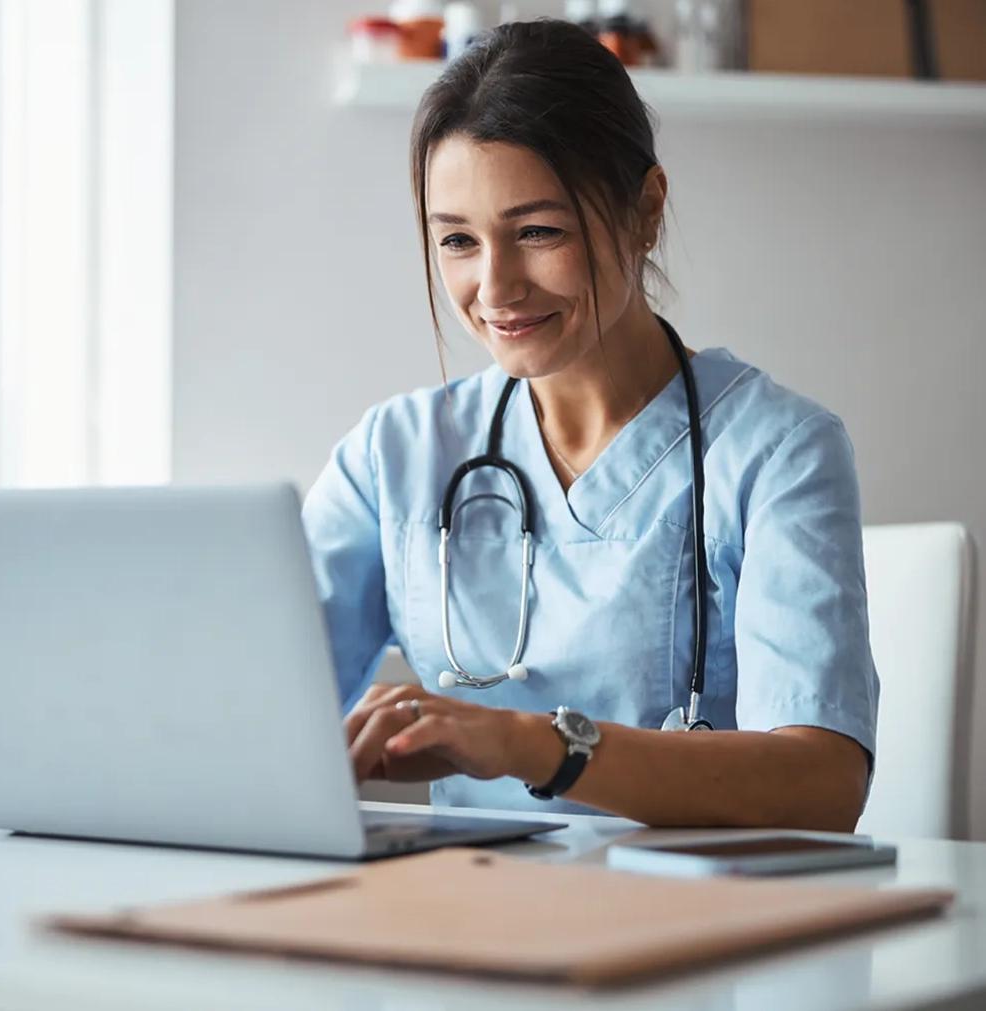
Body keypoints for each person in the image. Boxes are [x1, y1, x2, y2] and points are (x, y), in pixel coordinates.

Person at [302, 19, 878, 831]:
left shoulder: (777, 452)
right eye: (458, 241)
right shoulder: (392, 456)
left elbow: (822, 783)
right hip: (465, 921)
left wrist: (533, 744)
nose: (495, 288)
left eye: (538, 231)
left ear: (644, 211)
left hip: (693, 925)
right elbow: (248, 710)